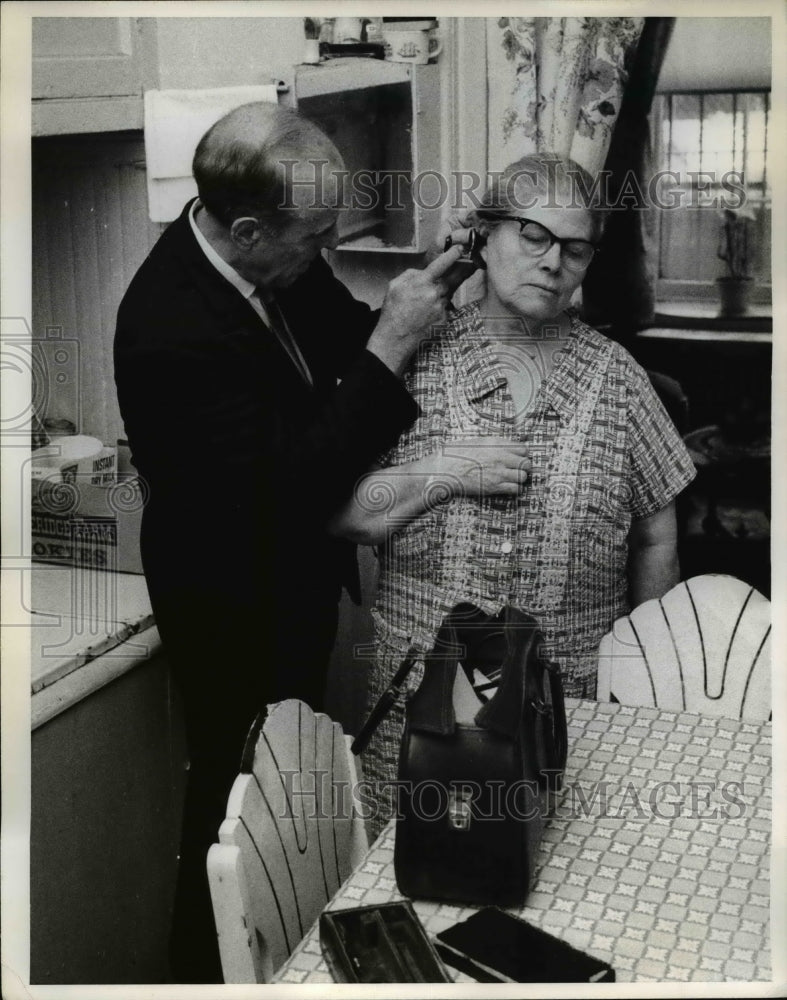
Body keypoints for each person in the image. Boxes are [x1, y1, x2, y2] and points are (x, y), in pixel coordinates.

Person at [113, 101, 468, 982]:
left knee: (290, 798)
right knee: (237, 815)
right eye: (315, 238)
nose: (324, 251)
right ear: (244, 226)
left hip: (289, 587)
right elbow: (290, 484)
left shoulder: (272, 258)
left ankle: (288, 962)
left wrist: (429, 288)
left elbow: (343, 338)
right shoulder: (168, 327)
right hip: (227, 604)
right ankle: (204, 974)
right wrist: (391, 347)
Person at [330, 154, 697, 837]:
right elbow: (347, 515)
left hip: (571, 706)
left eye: (575, 247)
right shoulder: (412, 359)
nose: (553, 261)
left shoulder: (616, 378)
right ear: (483, 235)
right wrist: (447, 467)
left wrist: (648, 676)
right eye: (533, 235)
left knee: (560, 881)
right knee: (412, 879)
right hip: (419, 707)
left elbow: (655, 533)